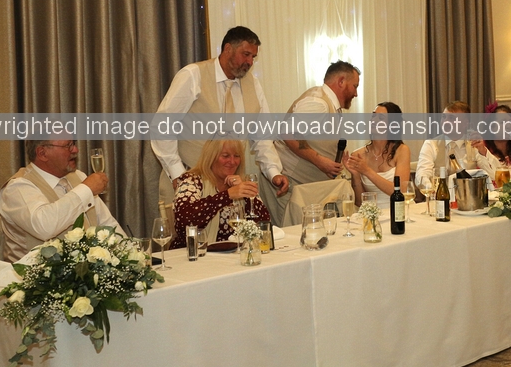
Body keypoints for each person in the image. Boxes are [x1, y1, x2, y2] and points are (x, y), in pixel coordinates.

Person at [151, 26, 289, 209]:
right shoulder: (193, 75)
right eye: (246, 54)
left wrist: (273, 172)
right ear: (228, 49)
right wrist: (178, 174)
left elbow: (263, 135)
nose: (249, 62)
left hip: (232, 186)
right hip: (188, 179)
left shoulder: (253, 84)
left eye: (253, 57)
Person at [0, 140, 124, 262]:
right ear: (42, 153)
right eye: (67, 146)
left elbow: (107, 224)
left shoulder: (79, 177)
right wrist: (86, 189)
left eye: (73, 143)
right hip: (34, 274)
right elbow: (45, 227)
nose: (75, 150)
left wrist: (129, 255)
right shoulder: (17, 187)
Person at [169, 140, 270, 250]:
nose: (232, 161)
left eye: (237, 156)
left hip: (234, 253)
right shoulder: (192, 181)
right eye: (226, 156)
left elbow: (264, 224)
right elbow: (184, 222)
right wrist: (227, 195)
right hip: (195, 252)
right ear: (211, 158)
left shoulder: (242, 183)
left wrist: (247, 197)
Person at [273, 60, 361, 185]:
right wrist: (320, 161)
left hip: (302, 184)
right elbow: (288, 133)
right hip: (288, 182)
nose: (356, 94)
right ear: (341, 81)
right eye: (355, 86)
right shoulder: (318, 103)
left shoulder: (330, 104)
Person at [414, 101, 494, 189]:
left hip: (468, 195)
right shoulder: (431, 144)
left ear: (465, 123)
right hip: (439, 195)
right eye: (444, 117)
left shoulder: (473, 144)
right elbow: (421, 176)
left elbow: (493, 175)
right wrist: (431, 188)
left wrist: (483, 151)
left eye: (451, 118)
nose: (445, 122)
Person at [344, 102, 411, 208]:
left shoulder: (402, 150)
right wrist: (355, 175)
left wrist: (367, 171)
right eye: (373, 116)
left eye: (381, 118)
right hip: (373, 213)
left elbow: (401, 191)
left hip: (400, 210)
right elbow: (360, 203)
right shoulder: (358, 155)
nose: (374, 121)